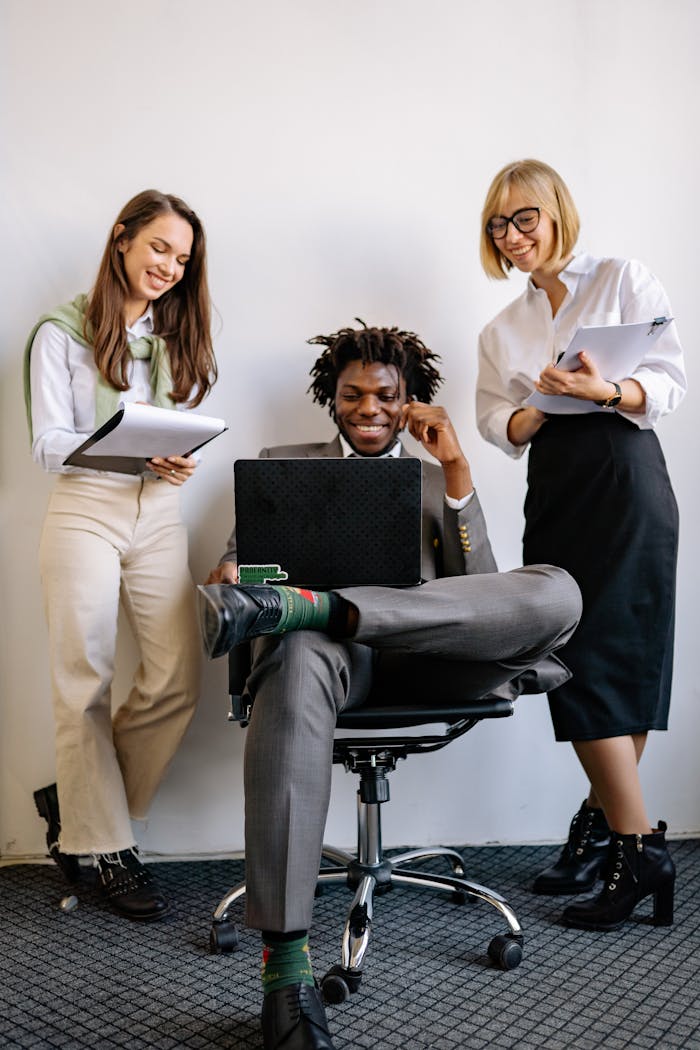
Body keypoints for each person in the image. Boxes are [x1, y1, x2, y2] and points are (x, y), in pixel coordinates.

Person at [200, 321, 582, 1050]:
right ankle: (285, 971)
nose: (368, 407)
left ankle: (326, 605)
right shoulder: (285, 466)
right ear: (331, 398)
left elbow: (484, 596)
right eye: (351, 394)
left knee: (557, 591)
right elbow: (235, 570)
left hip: (431, 656)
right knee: (299, 646)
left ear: (409, 399)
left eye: (384, 394)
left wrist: (460, 473)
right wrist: (233, 574)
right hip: (329, 667)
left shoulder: (439, 478)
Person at [476, 159, 686, 932]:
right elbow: (496, 422)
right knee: (570, 657)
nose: (512, 235)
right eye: (498, 224)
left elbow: (667, 382)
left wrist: (603, 391)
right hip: (559, 485)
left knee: (620, 656)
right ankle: (612, 833)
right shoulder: (500, 330)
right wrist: (532, 409)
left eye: (524, 217)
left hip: (626, 474)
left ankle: (625, 842)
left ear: (557, 211)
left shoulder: (623, 278)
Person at [25, 189, 217, 920]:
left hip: (158, 512)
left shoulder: (175, 338)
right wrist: (129, 448)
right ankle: (107, 845)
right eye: (159, 248)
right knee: (86, 678)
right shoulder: (62, 332)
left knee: (176, 677)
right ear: (122, 240)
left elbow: (177, 426)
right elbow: (47, 444)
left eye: (182, 257)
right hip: (84, 508)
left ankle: (76, 808)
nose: (169, 265)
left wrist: (175, 457)